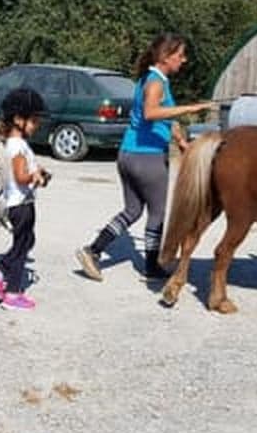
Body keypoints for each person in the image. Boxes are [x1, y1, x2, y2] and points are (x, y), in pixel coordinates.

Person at [75, 33, 215, 281]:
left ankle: (93, 250)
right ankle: (152, 267)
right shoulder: (156, 82)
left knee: (132, 210)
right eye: (180, 55)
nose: (184, 60)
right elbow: (151, 113)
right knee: (157, 213)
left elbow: (163, 119)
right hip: (148, 158)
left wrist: (181, 141)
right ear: (165, 57)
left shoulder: (149, 79)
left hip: (128, 154)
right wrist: (190, 108)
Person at [0, 87, 49, 310]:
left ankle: (2, 267)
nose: (36, 125)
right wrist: (35, 176)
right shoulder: (18, 146)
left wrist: (36, 171)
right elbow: (21, 177)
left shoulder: (12, 144)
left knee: (27, 241)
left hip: (18, 203)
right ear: (19, 120)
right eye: (34, 120)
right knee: (21, 248)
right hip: (21, 205)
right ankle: (11, 292)